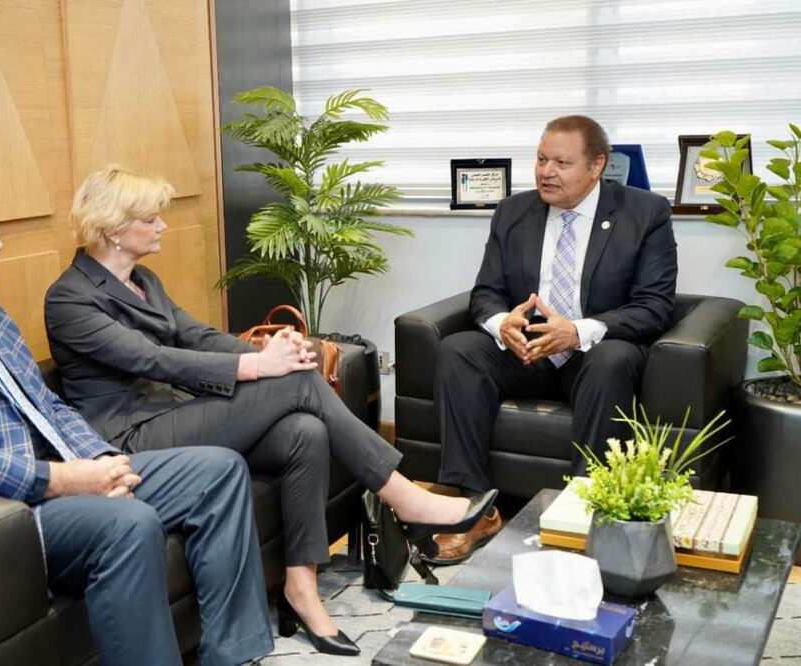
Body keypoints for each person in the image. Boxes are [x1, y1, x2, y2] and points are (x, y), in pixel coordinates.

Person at [43, 165, 498, 655]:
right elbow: (152, 359)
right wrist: (260, 366)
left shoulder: (143, 280)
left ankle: (301, 587)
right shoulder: (69, 298)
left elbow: (196, 336)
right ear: (113, 228)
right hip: (129, 439)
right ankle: (404, 497)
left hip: (175, 416)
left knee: (305, 431)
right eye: (151, 219)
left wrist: (270, 350)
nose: (162, 226)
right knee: (297, 382)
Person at [0, 171, 274, 666]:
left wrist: (101, 462)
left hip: (63, 478)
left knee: (217, 471)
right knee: (128, 523)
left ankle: (233, 655)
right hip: (1, 513)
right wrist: (62, 480)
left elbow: (50, 408)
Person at [432, 115, 677, 563]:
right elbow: (485, 293)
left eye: (561, 163)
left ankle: (585, 512)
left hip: (593, 354)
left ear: (597, 165)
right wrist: (502, 323)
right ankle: (474, 507)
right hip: (527, 351)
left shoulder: (646, 214)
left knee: (612, 361)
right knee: (458, 351)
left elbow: (654, 306)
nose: (546, 172)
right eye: (541, 160)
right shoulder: (513, 212)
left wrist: (577, 331)